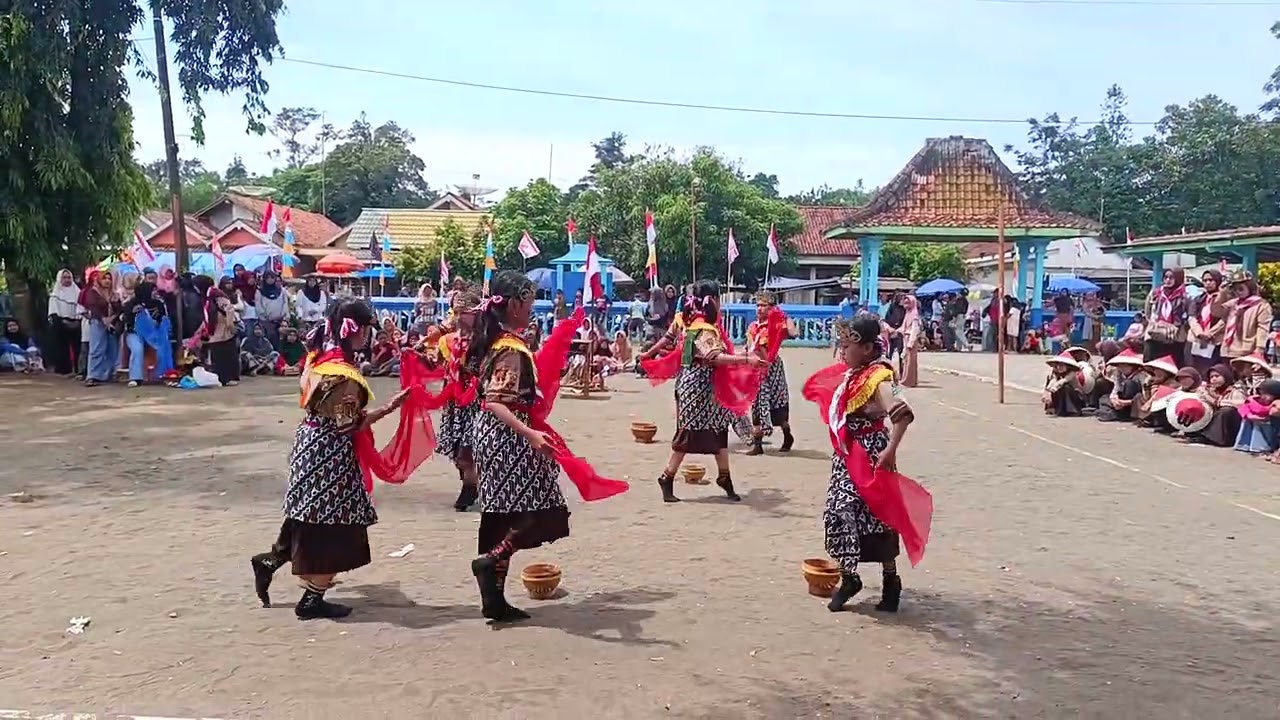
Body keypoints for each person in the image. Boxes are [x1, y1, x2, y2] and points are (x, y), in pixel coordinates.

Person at [250, 299, 409, 620]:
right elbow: (349, 425)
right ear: (357, 330)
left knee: (308, 515)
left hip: (309, 443)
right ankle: (312, 599)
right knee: (334, 526)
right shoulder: (343, 375)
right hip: (330, 454)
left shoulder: (319, 358)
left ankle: (271, 560)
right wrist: (390, 407)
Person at [465, 270, 569, 623]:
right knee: (542, 508)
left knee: (501, 516)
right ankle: (492, 560)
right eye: (528, 302)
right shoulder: (510, 347)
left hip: (492, 435)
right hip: (507, 437)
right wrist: (531, 435)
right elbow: (496, 400)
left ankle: (494, 600)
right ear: (513, 305)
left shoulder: (495, 341)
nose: (532, 308)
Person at [822, 314, 916, 613]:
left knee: (878, 515)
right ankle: (850, 576)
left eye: (847, 345)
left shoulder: (879, 378)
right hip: (849, 454)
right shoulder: (858, 373)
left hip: (871, 454)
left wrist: (889, 451)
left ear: (865, 348)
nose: (842, 351)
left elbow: (902, 413)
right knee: (841, 512)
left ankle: (890, 581)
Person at [652, 280, 767, 503]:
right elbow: (714, 356)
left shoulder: (689, 322)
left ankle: (725, 477)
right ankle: (667, 476)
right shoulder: (703, 328)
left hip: (700, 385)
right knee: (688, 434)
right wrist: (746, 359)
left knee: (718, 430)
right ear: (713, 300)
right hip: (698, 388)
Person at [431, 287, 485, 512]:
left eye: (465, 313)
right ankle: (470, 483)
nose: (459, 318)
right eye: (457, 313)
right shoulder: (449, 340)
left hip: (475, 402)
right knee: (456, 451)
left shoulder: (485, 341)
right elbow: (438, 363)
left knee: (468, 451)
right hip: (454, 401)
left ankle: (470, 488)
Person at [746, 291, 796, 455]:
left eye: (763, 305)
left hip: (773, 368)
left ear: (771, 308)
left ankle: (787, 435)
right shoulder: (753, 327)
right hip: (756, 368)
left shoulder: (776, 325)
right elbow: (750, 348)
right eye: (758, 305)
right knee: (757, 404)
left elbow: (793, 333)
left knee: (777, 404)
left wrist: (785, 318)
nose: (759, 309)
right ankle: (758, 444)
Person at [193, 275, 241, 386]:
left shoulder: (216, 294)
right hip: (216, 328)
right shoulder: (207, 295)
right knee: (218, 353)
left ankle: (227, 378)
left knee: (224, 353)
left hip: (224, 328)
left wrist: (229, 324)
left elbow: (229, 308)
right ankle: (222, 377)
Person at [1215, 270, 1273, 362]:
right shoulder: (1232, 304)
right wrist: (1221, 294)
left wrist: (1260, 348)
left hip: (1247, 351)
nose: (1238, 292)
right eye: (1234, 289)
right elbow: (1217, 313)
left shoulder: (1261, 305)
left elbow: (1263, 328)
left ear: (1250, 287)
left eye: (1240, 289)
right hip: (1227, 350)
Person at [121, 280, 169, 386]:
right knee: (137, 349)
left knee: (162, 349)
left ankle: (159, 375)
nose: (155, 293)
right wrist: (132, 312)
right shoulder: (132, 304)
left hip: (154, 335)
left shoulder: (159, 304)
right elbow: (124, 319)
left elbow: (163, 320)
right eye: (153, 291)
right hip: (134, 333)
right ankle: (135, 378)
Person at [80, 270, 122, 387]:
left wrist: (112, 318)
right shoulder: (93, 292)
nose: (107, 281)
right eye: (104, 278)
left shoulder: (114, 294)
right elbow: (92, 307)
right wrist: (103, 319)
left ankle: (107, 374)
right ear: (99, 280)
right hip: (98, 322)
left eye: (109, 279)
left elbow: (119, 309)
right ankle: (92, 376)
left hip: (112, 323)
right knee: (97, 349)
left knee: (112, 350)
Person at [1144, 268, 1189, 367]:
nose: (1168, 280)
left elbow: (1188, 315)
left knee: (1173, 365)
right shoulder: (1155, 293)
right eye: (1166, 277)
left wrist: (1173, 326)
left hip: (1175, 336)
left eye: (1171, 277)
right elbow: (1148, 312)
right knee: (1152, 364)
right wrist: (1156, 322)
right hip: (1155, 334)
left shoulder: (1185, 296)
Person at [1188, 270, 1226, 375]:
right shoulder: (1199, 299)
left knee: (1212, 371)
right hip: (1197, 339)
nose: (1208, 283)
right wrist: (1199, 333)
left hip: (1216, 340)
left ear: (1218, 281)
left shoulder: (1224, 299)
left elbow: (1225, 319)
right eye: (1205, 280)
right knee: (1195, 370)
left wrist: (1210, 333)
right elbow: (1192, 317)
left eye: (1211, 280)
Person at [46, 269, 82, 376]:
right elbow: (53, 312)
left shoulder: (78, 293)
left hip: (76, 323)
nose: (67, 280)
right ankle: (65, 369)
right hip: (60, 323)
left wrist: (77, 322)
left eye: (69, 277)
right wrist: (64, 322)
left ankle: (79, 369)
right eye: (64, 277)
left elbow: (81, 308)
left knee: (78, 347)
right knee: (62, 348)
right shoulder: (55, 295)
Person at [1041, 352, 1087, 417]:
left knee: (1065, 387)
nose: (1059, 367)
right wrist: (1047, 392)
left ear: (1067, 366)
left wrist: (1055, 387)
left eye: (1062, 365)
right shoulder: (1056, 374)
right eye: (1058, 365)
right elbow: (1053, 382)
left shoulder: (1071, 373)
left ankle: (1073, 410)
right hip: (1062, 393)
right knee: (1055, 390)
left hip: (1076, 396)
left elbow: (1063, 381)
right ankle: (1057, 408)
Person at [256, 271, 290, 348]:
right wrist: (267, 317)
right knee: (268, 342)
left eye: (272, 277)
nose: (270, 280)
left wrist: (283, 316)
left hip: (280, 321)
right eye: (268, 278)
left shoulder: (281, 291)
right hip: (266, 322)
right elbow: (258, 306)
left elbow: (285, 303)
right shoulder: (260, 291)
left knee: (280, 343)